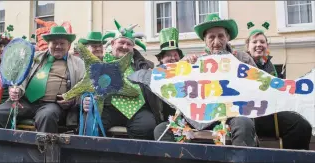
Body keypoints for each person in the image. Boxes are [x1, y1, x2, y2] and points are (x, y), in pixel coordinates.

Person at [154, 14, 259, 147]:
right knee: (161, 129)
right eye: (211, 37)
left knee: (244, 124)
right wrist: (182, 67)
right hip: (202, 115)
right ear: (205, 40)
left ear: (227, 37)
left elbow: (257, 86)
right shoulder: (197, 61)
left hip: (233, 113)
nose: (216, 42)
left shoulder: (242, 58)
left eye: (221, 36)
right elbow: (178, 90)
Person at [0, 26, 85, 133]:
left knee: (47, 116)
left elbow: (83, 87)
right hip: (25, 102)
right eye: (54, 43)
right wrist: (16, 89)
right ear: (48, 44)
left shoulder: (78, 63)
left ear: (69, 45)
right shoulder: (34, 56)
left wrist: (73, 100)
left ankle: (45, 149)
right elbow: (21, 75)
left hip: (52, 105)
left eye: (62, 43)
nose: (58, 46)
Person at [82, 20, 160, 140]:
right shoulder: (98, 63)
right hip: (107, 108)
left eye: (129, 44)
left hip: (138, 109)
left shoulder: (144, 66)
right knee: (91, 124)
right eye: (122, 42)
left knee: (148, 126)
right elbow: (83, 87)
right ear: (113, 43)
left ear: (133, 48)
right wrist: (84, 100)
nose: (124, 47)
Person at [245, 22, 312, 150]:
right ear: (248, 47)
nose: (259, 45)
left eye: (262, 42)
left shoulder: (270, 67)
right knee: (299, 125)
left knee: (305, 120)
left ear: (267, 46)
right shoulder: (242, 64)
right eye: (254, 42)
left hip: (272, 112)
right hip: (254, 116)